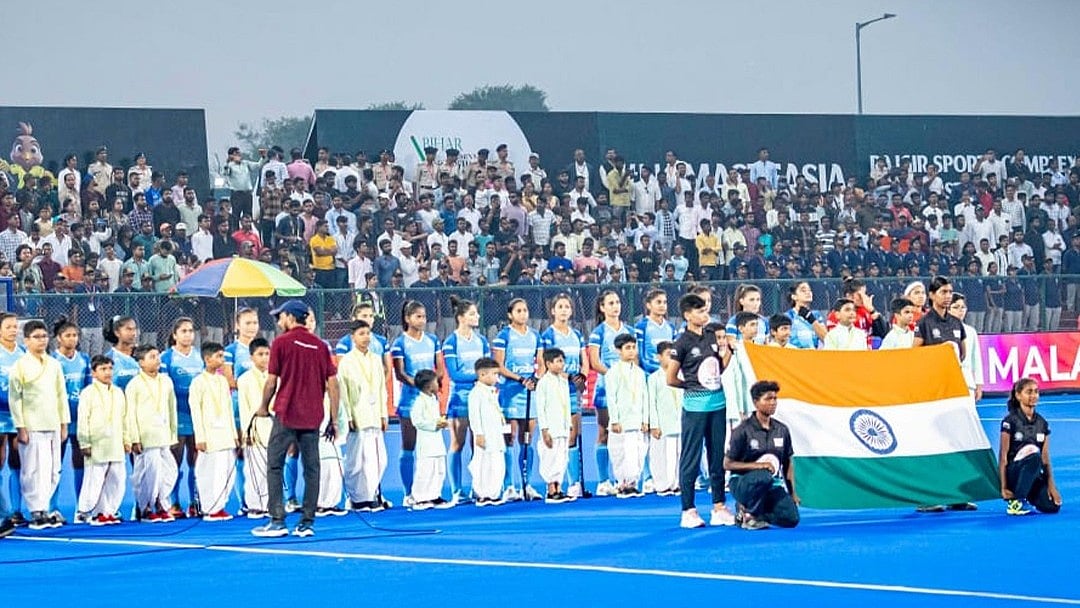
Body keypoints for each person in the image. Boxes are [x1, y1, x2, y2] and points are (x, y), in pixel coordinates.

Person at [252, 300, 339, 538]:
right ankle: (307, 523)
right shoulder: (321, 346)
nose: (279, 321)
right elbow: (332, 383)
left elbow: (271, 381)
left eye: (281, 316)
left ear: (291, 317)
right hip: (312, 416)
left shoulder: (281, 343)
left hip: (287, 413)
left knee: (275, 464)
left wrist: (262, 407)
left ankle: (278, 520)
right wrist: (334, 419)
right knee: (312, 468)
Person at [669, 294, 737, 528]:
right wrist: (691, 387)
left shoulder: (710, 336)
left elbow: (719, 368)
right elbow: (671, 378)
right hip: (695, 407)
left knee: (717, 456)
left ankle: (719, 506)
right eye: (698, 311)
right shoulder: (681, 343)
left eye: (705, 310)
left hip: (718, 404)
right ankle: (688, 510)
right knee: (691, 457)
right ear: (688, 315)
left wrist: (729, 351)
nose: (704, 314)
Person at [10, 320, 68, 530]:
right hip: (31, 425)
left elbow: (61, 396)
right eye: (36, 337)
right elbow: (15, 398)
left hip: (52, 422)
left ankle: (45, 508)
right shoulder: (20, 365)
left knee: (53, 469)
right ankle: (36, 511)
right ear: (26, 340)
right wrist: (20, 427)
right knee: (33, 469)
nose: (42, 340)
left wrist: (63, 424)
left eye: (44, 336)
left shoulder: (54, 364)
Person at [724, 380, 800, 530]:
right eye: (768, 399)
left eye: (775, 398)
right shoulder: (743, 430)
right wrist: (758, 466)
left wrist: (792, 493)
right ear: (756, 403)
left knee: (791, 519)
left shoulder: (782, 430)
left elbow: (787, 463)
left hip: (771, 484)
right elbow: (727, 464)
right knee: (763, 475)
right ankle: (749, 516)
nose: (773, 403)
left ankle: (750, 512)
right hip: (742, 483)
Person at [390, 300, 441, 506]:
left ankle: (430, 491)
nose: (422, 320)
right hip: (410, 401)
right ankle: (409, 492)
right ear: (407, 318)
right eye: (418, 316)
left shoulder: (432, 340)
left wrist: (433, 384)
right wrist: (421, 386)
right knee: (409, 446)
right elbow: (400, 373)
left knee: (431, 446)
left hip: (431, 400)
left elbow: (438, 367)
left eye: (424, 316)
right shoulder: (400, 343)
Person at [539, 293, 590, 497]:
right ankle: (554, 483)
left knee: (573, 434)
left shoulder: (576, 334)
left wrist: (582, 377)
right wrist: (568, 376)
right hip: (559, 386)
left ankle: (573, 482)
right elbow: (548, 362)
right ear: (553, 311)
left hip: (573, 389)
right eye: (559, 307)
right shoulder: (548, 335)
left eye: (567, 307)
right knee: (557, 436)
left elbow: (583, 359)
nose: (563, 310)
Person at [441, 296, 490, 503]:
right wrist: (480, 376)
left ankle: (478, 487)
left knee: (478, 444)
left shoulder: (481, 340)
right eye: (472, 313)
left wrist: (485, 378)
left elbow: (489, 368)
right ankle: (456, 491)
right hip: (460, 398)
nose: (476, 316)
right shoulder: (451, 342)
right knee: (457, 444)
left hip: (480, 398)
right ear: (461, 317)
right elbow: (454, 374)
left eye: (476, 313)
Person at [492, 298, 542, 501]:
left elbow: (540, 362)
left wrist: (536, 378)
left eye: (525, 310)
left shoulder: (535, 336)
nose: (523, 314)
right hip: (510, 394)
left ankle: (526, 484)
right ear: (510, 314)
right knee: (509, 439)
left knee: (527, 439)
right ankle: (509, 486)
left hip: (530, 393)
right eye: (518, 311)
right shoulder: (503, 336)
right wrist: (520, 379)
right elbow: (499, 366)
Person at [338, 322, 389, 512]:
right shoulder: (347, 361)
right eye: (361, 334)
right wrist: (348, 416)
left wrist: (384, 413)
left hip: (375, 415)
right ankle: (357, 498)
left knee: (377, 459)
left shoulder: (376, 359)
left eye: (368, 333)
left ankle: (370, 494)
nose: (366, 337)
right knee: (356, 460)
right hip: (357, 416)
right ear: (353, 337)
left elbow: (382, 388)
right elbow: (343, 392)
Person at [125, 344, 178, 523]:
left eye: (157, 356)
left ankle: (162, 503)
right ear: (141, 363)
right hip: (145, 437)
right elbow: (129, 413)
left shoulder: (166, 381)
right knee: (149, 473)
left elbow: (172, 409)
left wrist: (173, 433)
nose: (157, 360)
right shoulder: (134, 384)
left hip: (163, 434)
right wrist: (134, 438)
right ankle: (146, 507)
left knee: (170, 471)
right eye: (152, 357)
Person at [588, 290, 632, 496]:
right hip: (606, 387)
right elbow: (595, 362)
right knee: (604, 432)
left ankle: (625, 477)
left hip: (627, 390)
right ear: (602, 307)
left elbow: (635, 358)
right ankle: (603, 480)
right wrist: (615, 375)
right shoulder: (598, 332)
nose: (615, 306)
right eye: (610, 303)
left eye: (617, 302)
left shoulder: (629, 330)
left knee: (627, 432)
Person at [74, 355, 127, 526]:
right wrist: (84, 442)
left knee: (117, 479)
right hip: (96, 444)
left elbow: (125, 419)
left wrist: (127, 439)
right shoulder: (88, 393)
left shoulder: (118, 392)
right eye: (103, 369)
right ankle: (86, 511)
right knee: (94, 479)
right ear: (93, 373)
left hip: (116, 443)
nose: (108, 372)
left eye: (110, 368)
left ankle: (108, 512)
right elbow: (83, 419)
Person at [999, 378, 1062, 516]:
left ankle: (1025, 493)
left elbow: (1046, 459)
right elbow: (1003, 457)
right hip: (1013, 473)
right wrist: (1003, 488)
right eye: (1029, 392)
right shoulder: (1010, 421)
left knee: (1051, 507)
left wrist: (1051, 487)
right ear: (1018, 395)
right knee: (1034, 457)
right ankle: (1017, 502)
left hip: (1031, 472)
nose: (1033, 395)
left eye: (1036, 392)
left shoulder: (1042, 424)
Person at [188, 342, 236, 522]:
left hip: (225, 434)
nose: (222, 360)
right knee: (209, 472)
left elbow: (229, 409)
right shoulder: (198, 382)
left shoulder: (223, 380)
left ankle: (220, 505)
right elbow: (195, 411)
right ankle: (209, 507)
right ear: (207, 359)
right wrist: (199, 437)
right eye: (219, 356)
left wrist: (234, 434)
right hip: (209, 436)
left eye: (223, 356)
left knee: (225, 471)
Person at [161, 317, 203, 519]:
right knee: (174, 462)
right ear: (175, 335)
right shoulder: (166, 358)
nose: (188, 334)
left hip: (196, 417)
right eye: (184, 331)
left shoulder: (199, 357)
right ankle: (174, 502)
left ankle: (195, 502)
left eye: (191, 330)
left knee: (196, 461)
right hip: (177, 417)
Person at [51, 318, 90, 515]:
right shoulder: (52, 361)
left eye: (75, 335)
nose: (72, 339)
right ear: (58, 338)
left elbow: (89, 389)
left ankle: (81, 508)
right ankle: (52, 507)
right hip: (57, 419)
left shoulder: (84, 360)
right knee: (54, 462)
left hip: (79, 419)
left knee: (80, 458)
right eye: (68, 335)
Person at [607, 334, 648, 498]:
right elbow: (611, 398)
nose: (631, 351)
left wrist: (645, 419)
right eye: (627, 348)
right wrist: (615, 420)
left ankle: (633, 483)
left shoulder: (639, 372)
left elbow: (644, 396)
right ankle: (623, 484)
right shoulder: (613, 372)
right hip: (622, 422)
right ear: (618, 351)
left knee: (638, 452)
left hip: (637, 420)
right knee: (622, 453)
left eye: (633, 347)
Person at [237, 338, 272, 518]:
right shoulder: (244, 380)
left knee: (272, 468)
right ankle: (254, 505)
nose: (264, 358)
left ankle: (269, 503)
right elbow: (243, 408)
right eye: (260, 354)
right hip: (254, 428)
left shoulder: (275, 377)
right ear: (251, 357)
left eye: (267, 354)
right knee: (254, 470)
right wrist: (246, 432)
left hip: (272, 428)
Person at [410, 369, 453, 510]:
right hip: (426, 442)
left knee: (438, 469)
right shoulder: (419, 401)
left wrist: (440, 422)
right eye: (435, 381)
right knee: (425, 470)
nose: (438, 383)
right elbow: (417, 421)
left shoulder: (434, 399)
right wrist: (434, 424)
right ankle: (420, 497)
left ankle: (434, 495)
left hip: (437, 442)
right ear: (428, 385)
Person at [534, 349, 573, 504]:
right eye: (557, 361)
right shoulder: (543, 383)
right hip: (551, 428)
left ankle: (559, 488)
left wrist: (569, 424)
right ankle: (551, 489)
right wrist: (544, 429)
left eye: (562, 361)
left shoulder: (563, 382)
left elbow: (567, 405)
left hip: (563, 427)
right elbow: (541, 408)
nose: (561, 364)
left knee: (562, 458)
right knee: (550, 457)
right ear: (548, 364)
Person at [468, 358, 508, 506]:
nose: (497, 378)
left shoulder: (492, 392)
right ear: (483, 375)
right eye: (495, 374)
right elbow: (474, 416)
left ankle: (494, 493)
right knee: (482, 465)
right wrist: (478, 433)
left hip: (496, 435)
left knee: (497, 464)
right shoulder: (476, 393)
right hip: (484, 435)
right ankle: (482, 494)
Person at [0, 313, 27, 530]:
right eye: (8, 326)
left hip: (18, 414)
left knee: (18, 460)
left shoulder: (23, 353)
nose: (13, 330)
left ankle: (17, 510)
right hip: (0, 414)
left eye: (15, 326)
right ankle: (3, 511)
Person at [647, 341, 682, 497]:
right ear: (659, 357)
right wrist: (654, 424)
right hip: (663, 423)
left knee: (680, 453)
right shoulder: (654, 378)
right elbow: (651, 402)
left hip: (681, 422)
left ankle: (677, 483)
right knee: (662, 455)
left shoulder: (681, 376)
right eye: (668, 354)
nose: (672, 358)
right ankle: (662, 485)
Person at [949, 294, 984, 402]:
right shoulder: (941, 330)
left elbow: (976, 360)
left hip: (967, 381)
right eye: (955, 307)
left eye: (963, 307)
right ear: (948, 309)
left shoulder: (970, 331)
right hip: (947, 382)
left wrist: (978, 384)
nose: (960, 311)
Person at [635, 289, 676, 375]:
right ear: (648, 305)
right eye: (658, 302)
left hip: (668, 374)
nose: (662, 305)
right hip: (649, 374)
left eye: (665, 302)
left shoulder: (671, 327)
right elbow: (640, 356)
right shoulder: (641, 327)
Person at [785, 282, 827, 349]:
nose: (808, 292)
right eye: (803, 290)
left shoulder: (816, 315)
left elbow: (826, 339)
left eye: (810, 290)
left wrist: (812, 319)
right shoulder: (788, 316)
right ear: (794, 296)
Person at [103, 315, 141, 391]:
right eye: (128, 329)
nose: (133, 333)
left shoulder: (142, 354)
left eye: (134, 329)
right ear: (117, 333)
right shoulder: (109, 358)